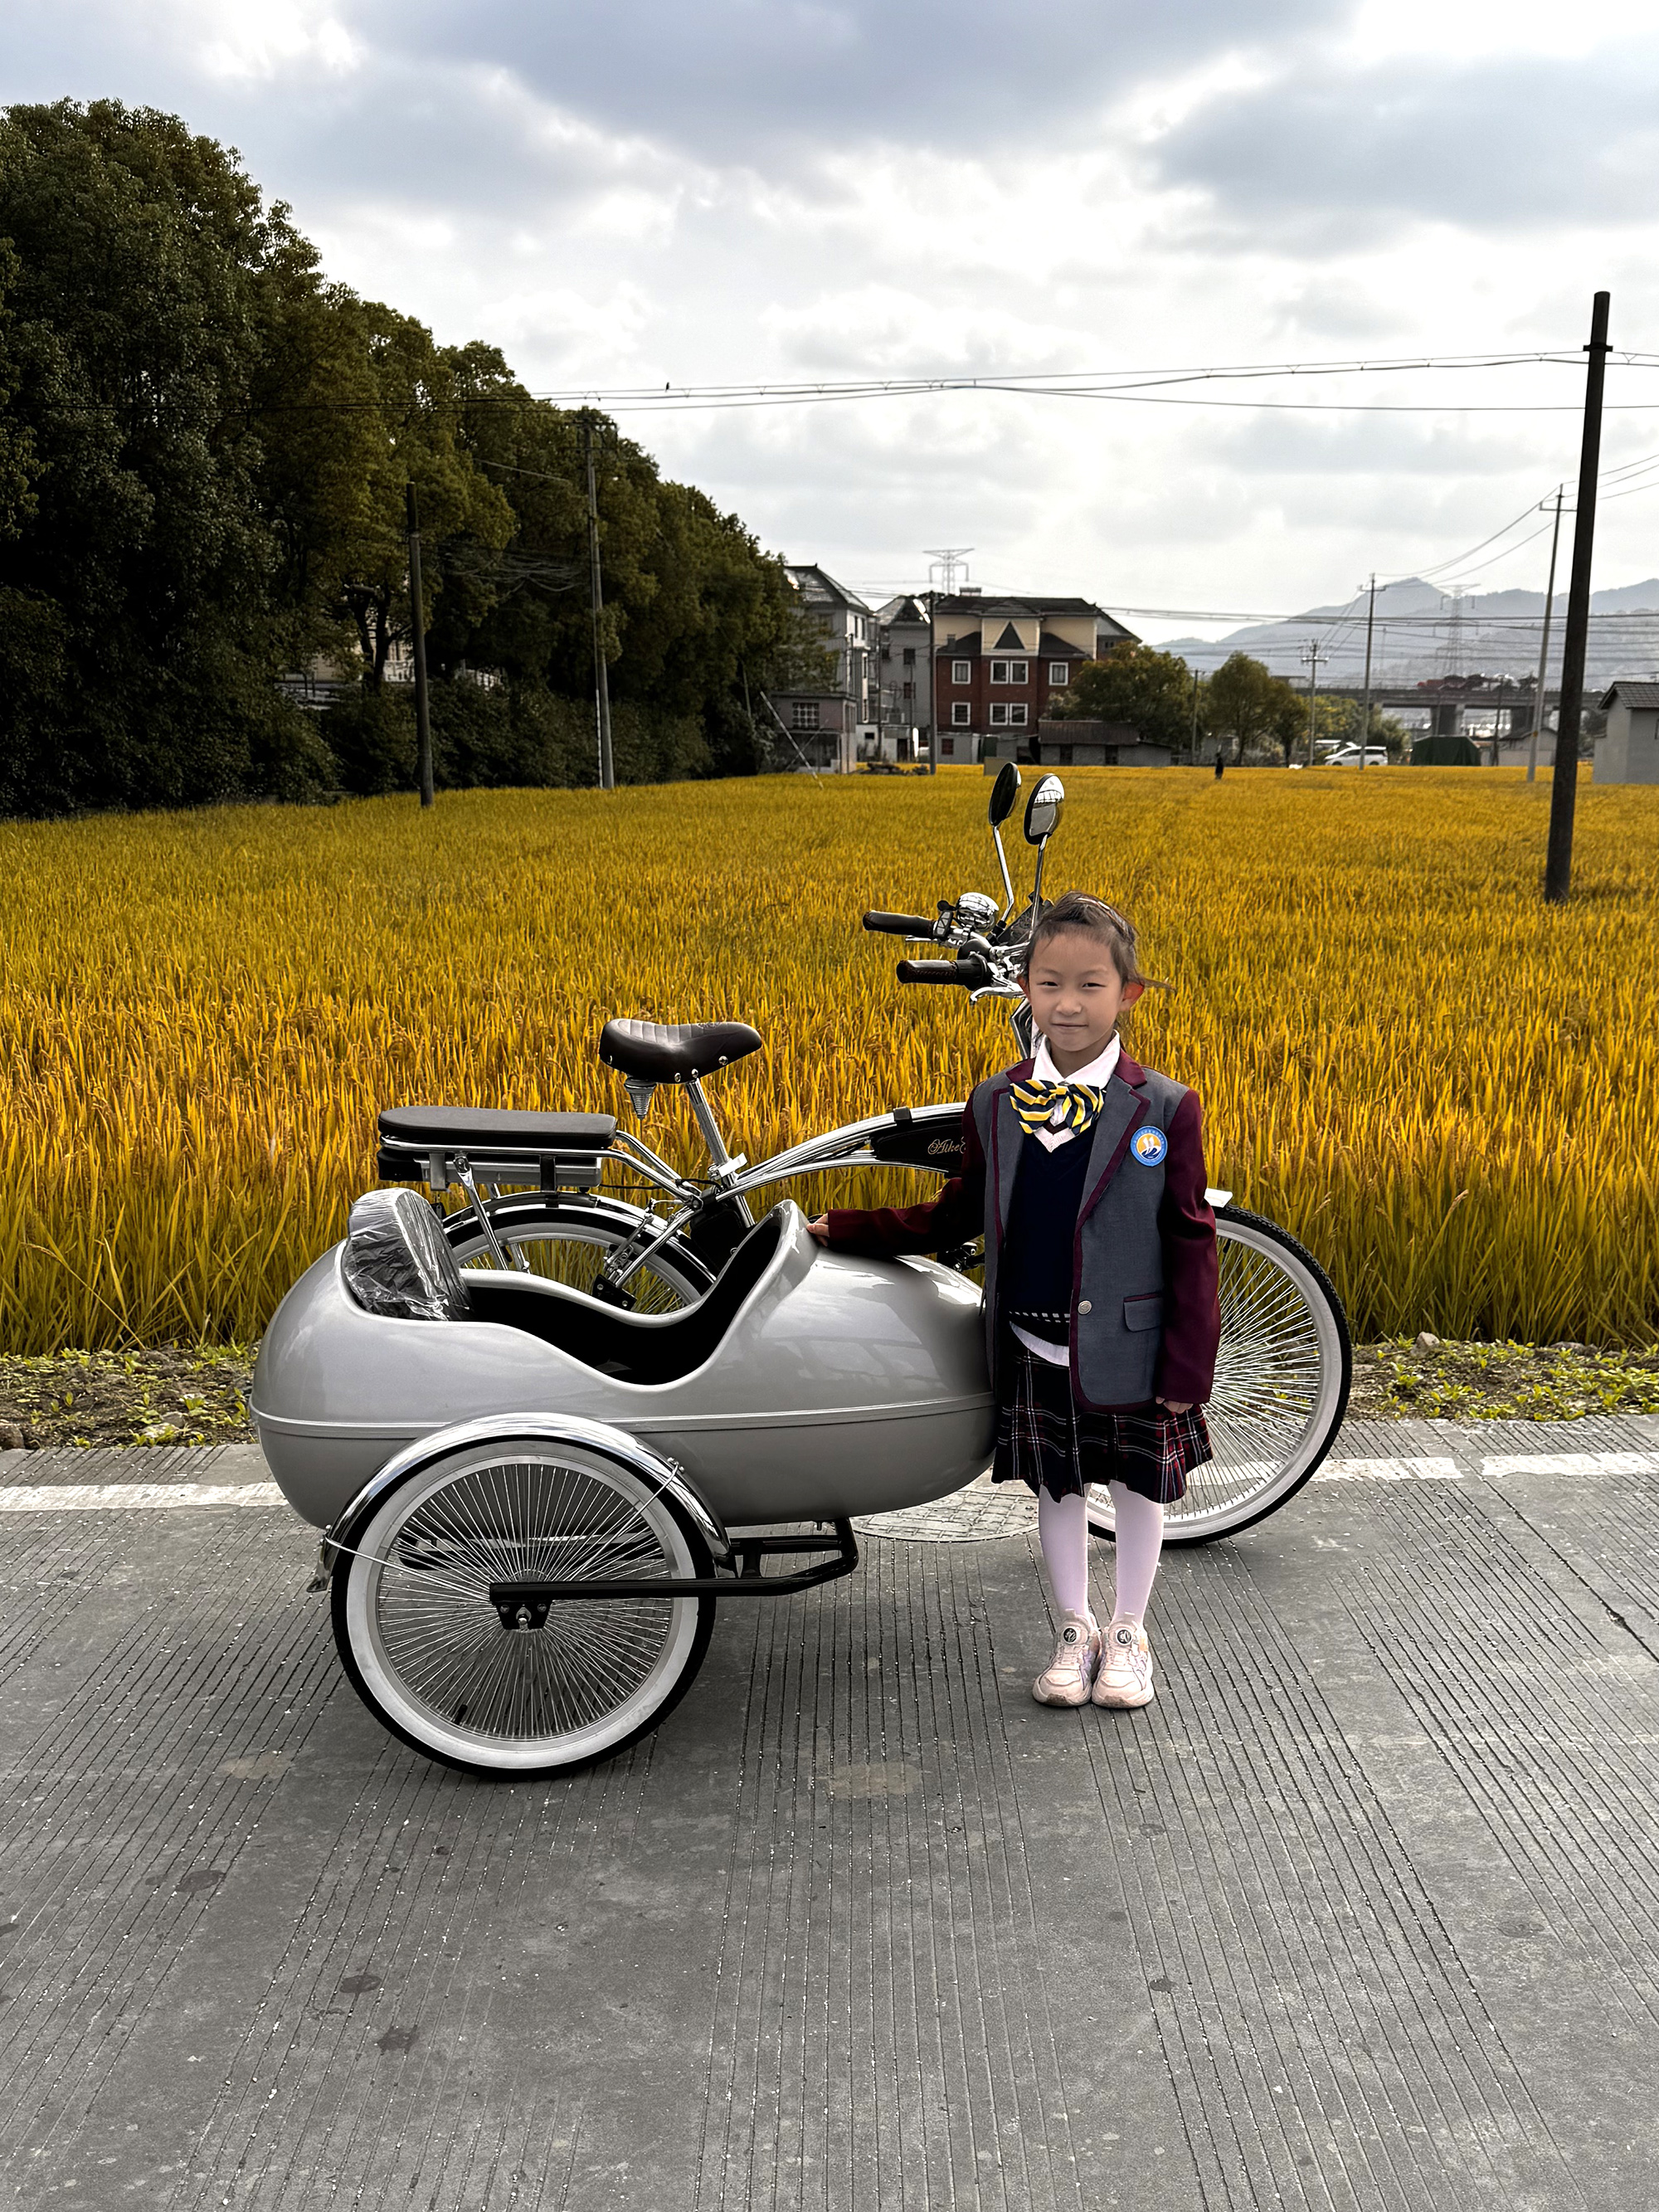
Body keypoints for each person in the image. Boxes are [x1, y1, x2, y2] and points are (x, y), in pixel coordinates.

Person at [808, 890, 1220, 1712]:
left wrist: (1187, 1362)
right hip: (1031, 1341)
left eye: (1090, 985)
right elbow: (955, 1213)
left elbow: (1189, 1235)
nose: (1067, 1002)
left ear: (1127, 994)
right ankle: (1073, 1626)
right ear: (1023, 988)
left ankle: (1130, 1630)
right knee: (1056, 1490)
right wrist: (848, 1228)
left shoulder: (1164, 1107)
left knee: (1137, 1490)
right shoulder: (995, 1101)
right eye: (1049, 982)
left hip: (1132, 1348)